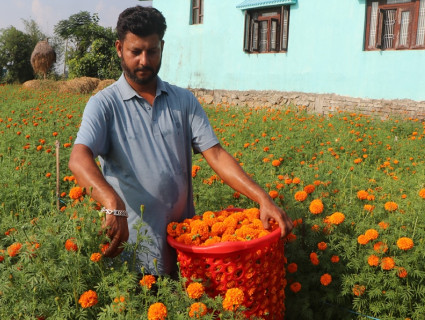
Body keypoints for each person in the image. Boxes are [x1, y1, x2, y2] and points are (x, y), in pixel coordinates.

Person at [68, 6, 293, 274]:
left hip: (183, 249)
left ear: (162, 46)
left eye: (152, 51)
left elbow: (217, 155)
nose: (143, 60)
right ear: (119, 48)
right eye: (135, 52)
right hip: (131, 255)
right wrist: (113, 204)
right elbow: (79, 158)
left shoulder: (183, 101)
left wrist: (262, 198)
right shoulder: (104, 105)